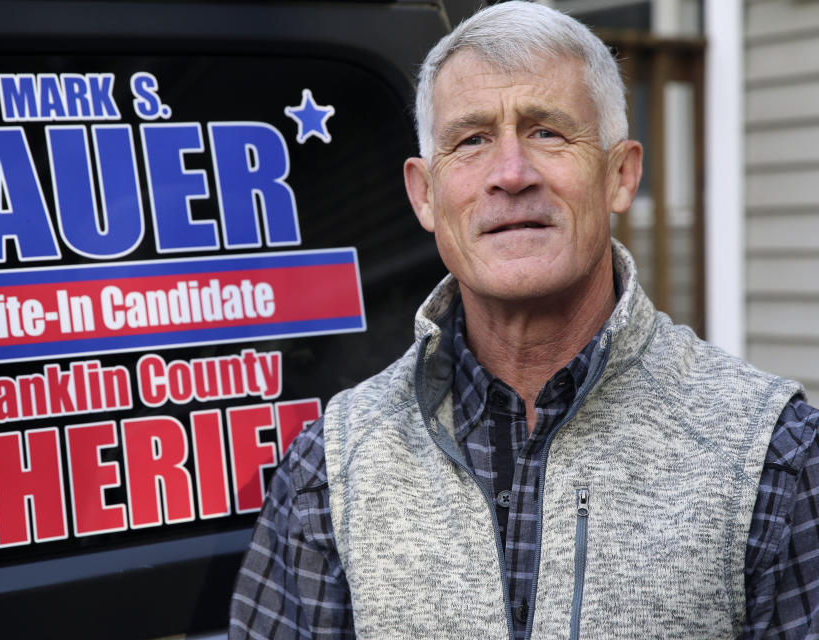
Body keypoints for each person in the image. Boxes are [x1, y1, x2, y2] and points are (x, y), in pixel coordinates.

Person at [228, 2, 819, 638]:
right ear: (425, 194)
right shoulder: (330, 470)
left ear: (620, 174)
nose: (510, 174)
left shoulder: (774, 456)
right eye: (472, 140)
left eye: (547, 132)